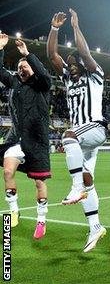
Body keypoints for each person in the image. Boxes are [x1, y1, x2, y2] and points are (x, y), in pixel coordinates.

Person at [46, 9, 107, 252]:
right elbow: (52, 55)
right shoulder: (68, 80)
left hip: (94, 129)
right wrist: (54, 29)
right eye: (69, 64)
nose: (71, 66)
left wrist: (75, 27)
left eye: (74, 63)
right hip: (83, 138)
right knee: (87, 178)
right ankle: (95, 227)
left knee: (68, 136)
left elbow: (84, 53)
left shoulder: (95, 75)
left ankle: (76, 187)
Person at [0, 35, 52, 239]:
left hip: (37, 142)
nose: (22, 69)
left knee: (39, 183)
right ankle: (14, 210)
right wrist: (1, 49)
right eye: (20, 66)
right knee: (7, 172)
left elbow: (45, 75)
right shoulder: (14, 83)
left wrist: (28, 55)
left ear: (32, 69)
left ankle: (41, 220)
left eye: (26, 66)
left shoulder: (41, 85)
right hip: (17, 140)